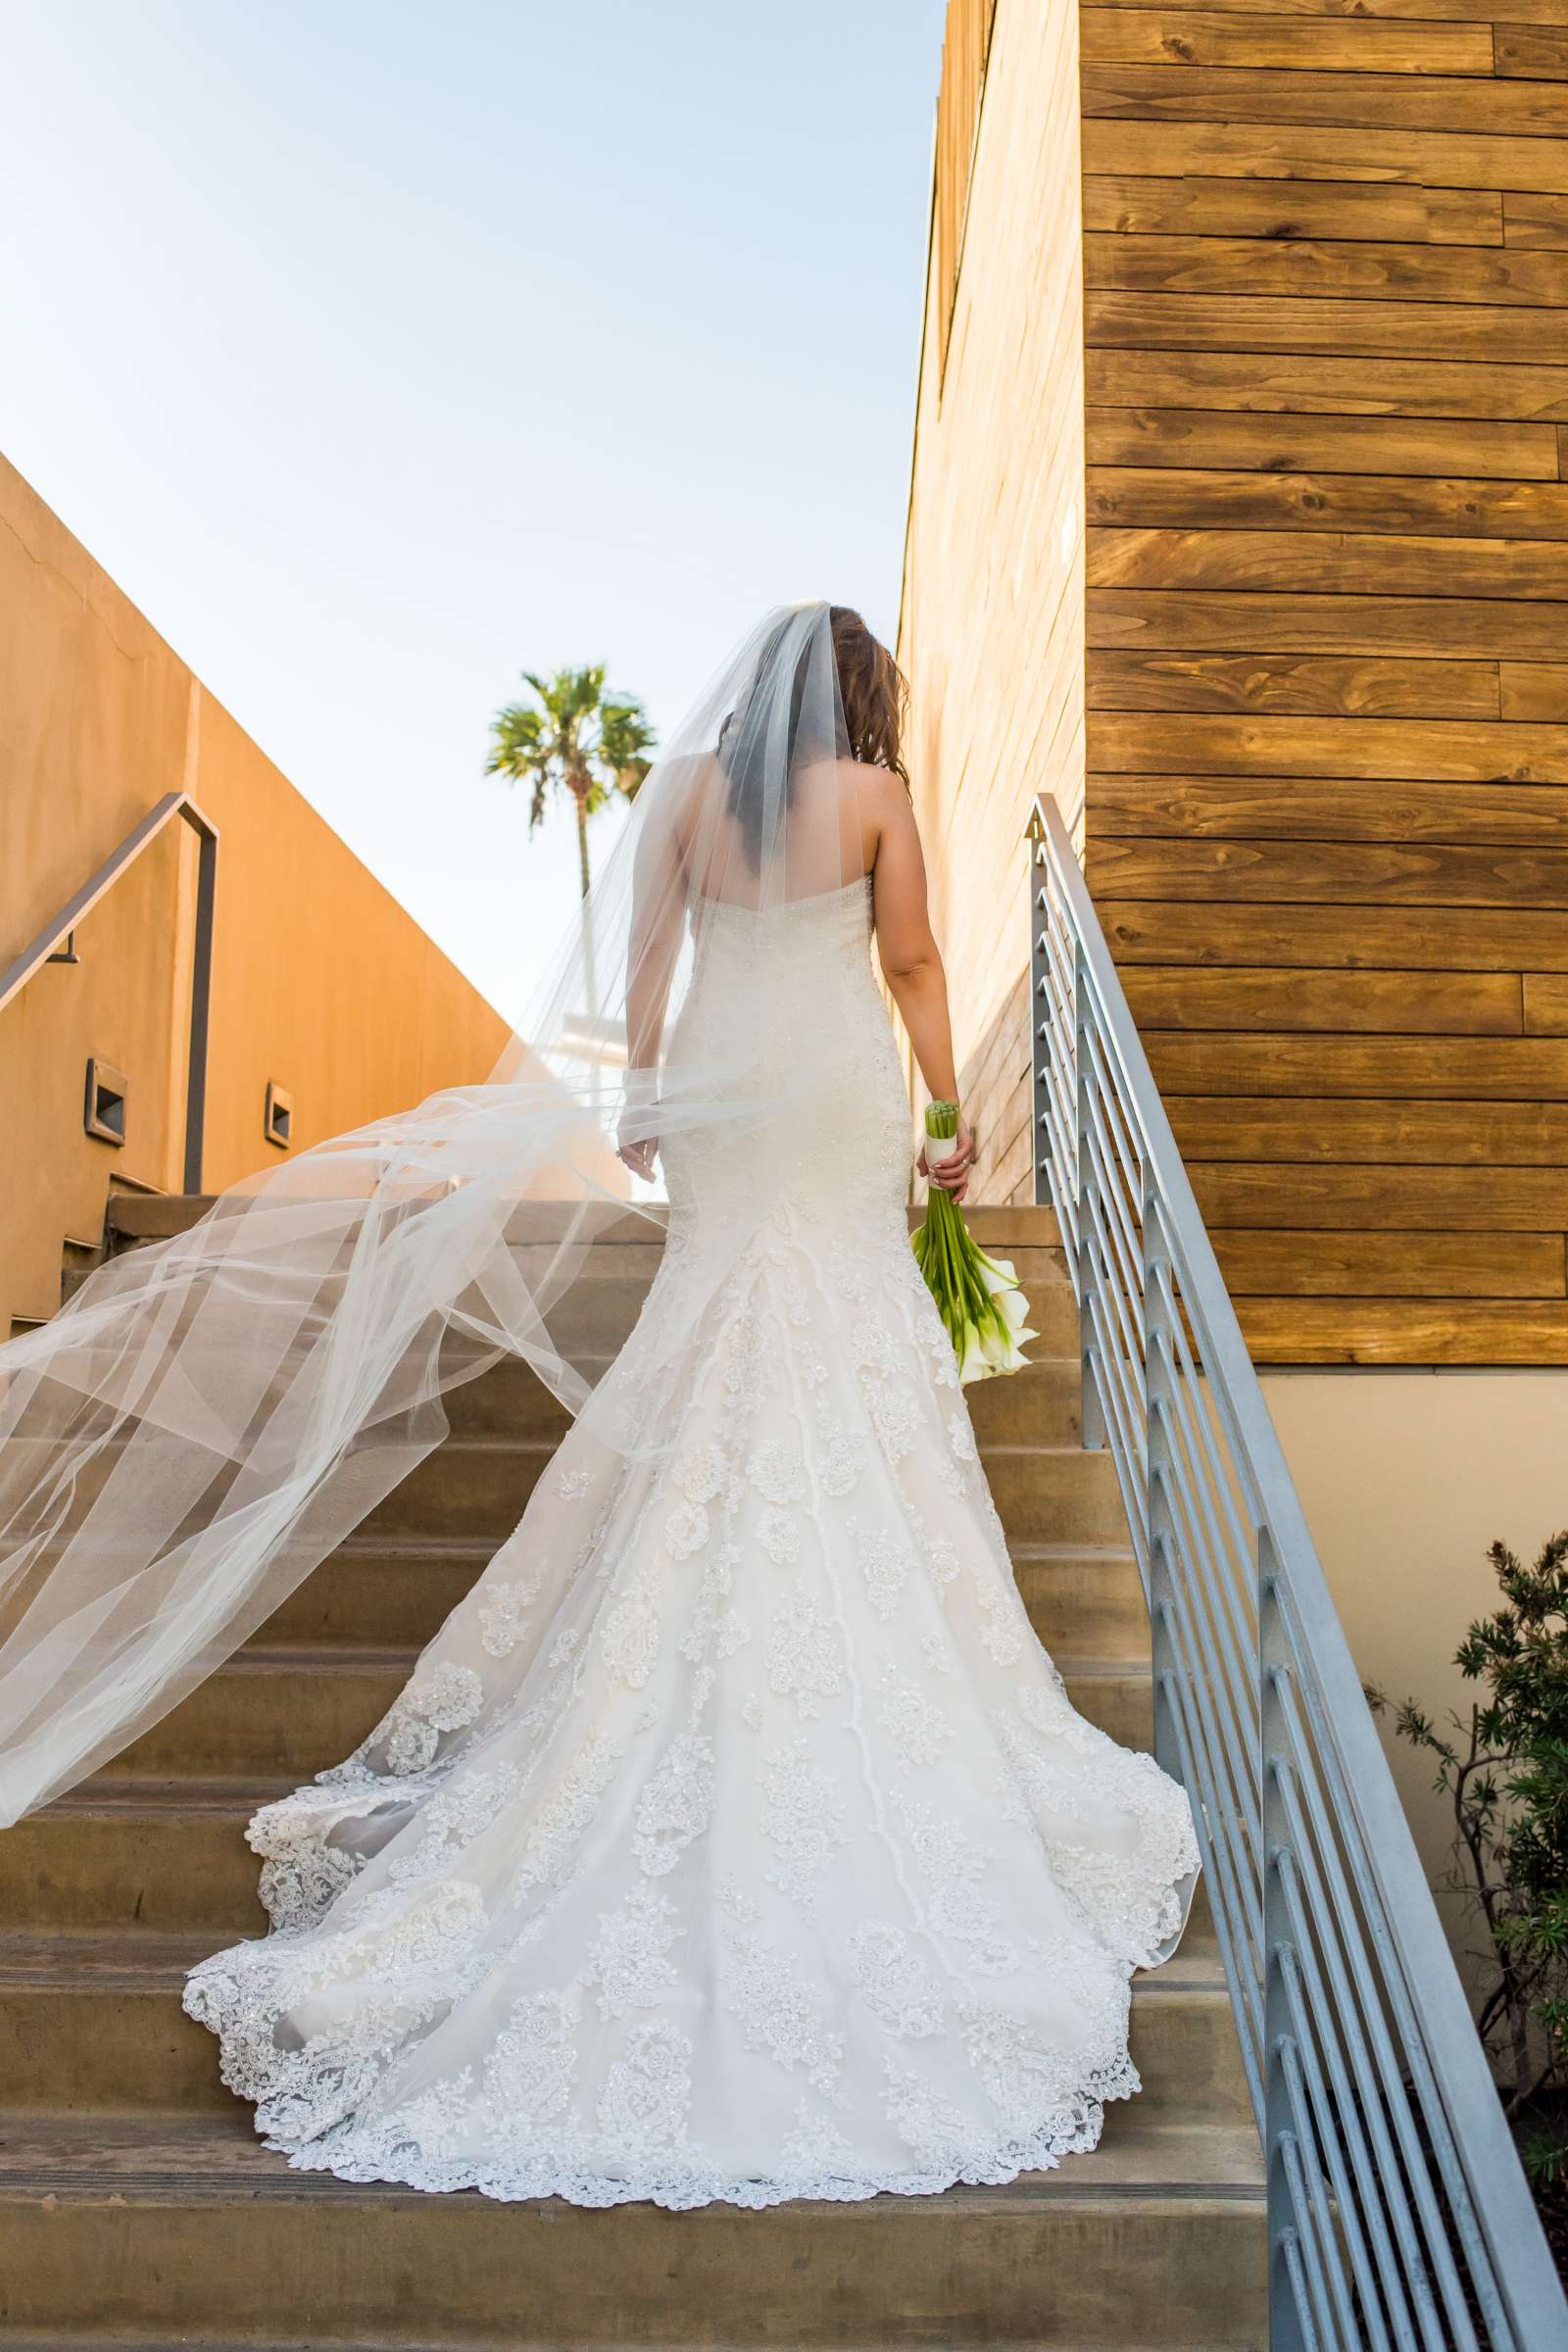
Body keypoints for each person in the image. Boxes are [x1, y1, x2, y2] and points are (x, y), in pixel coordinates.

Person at [2, 603, 1196, 2209]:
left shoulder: (692, 794)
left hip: (723, 1082)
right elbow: (910, 956)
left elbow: (647, 960)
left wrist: (645, 1097)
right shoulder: (876, 801)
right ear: (858, 698)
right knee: (833, 1322)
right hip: (829, 1083)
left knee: (719, 1323)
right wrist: (941, 1098)